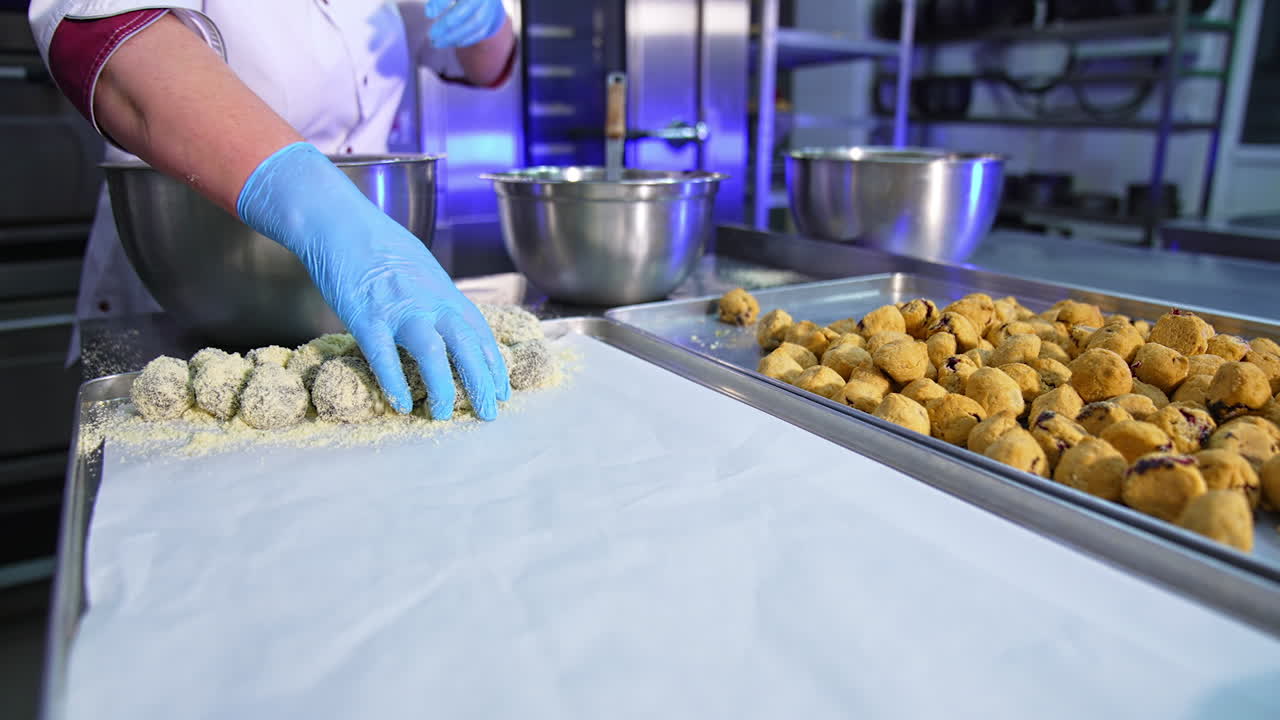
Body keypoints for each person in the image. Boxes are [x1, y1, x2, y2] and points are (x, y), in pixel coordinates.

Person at [28, 0, 516, 421]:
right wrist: (317, 204)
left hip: (361, 281)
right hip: (189, 266)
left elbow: (481, 65)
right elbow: (98, 32)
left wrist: (488, 20)